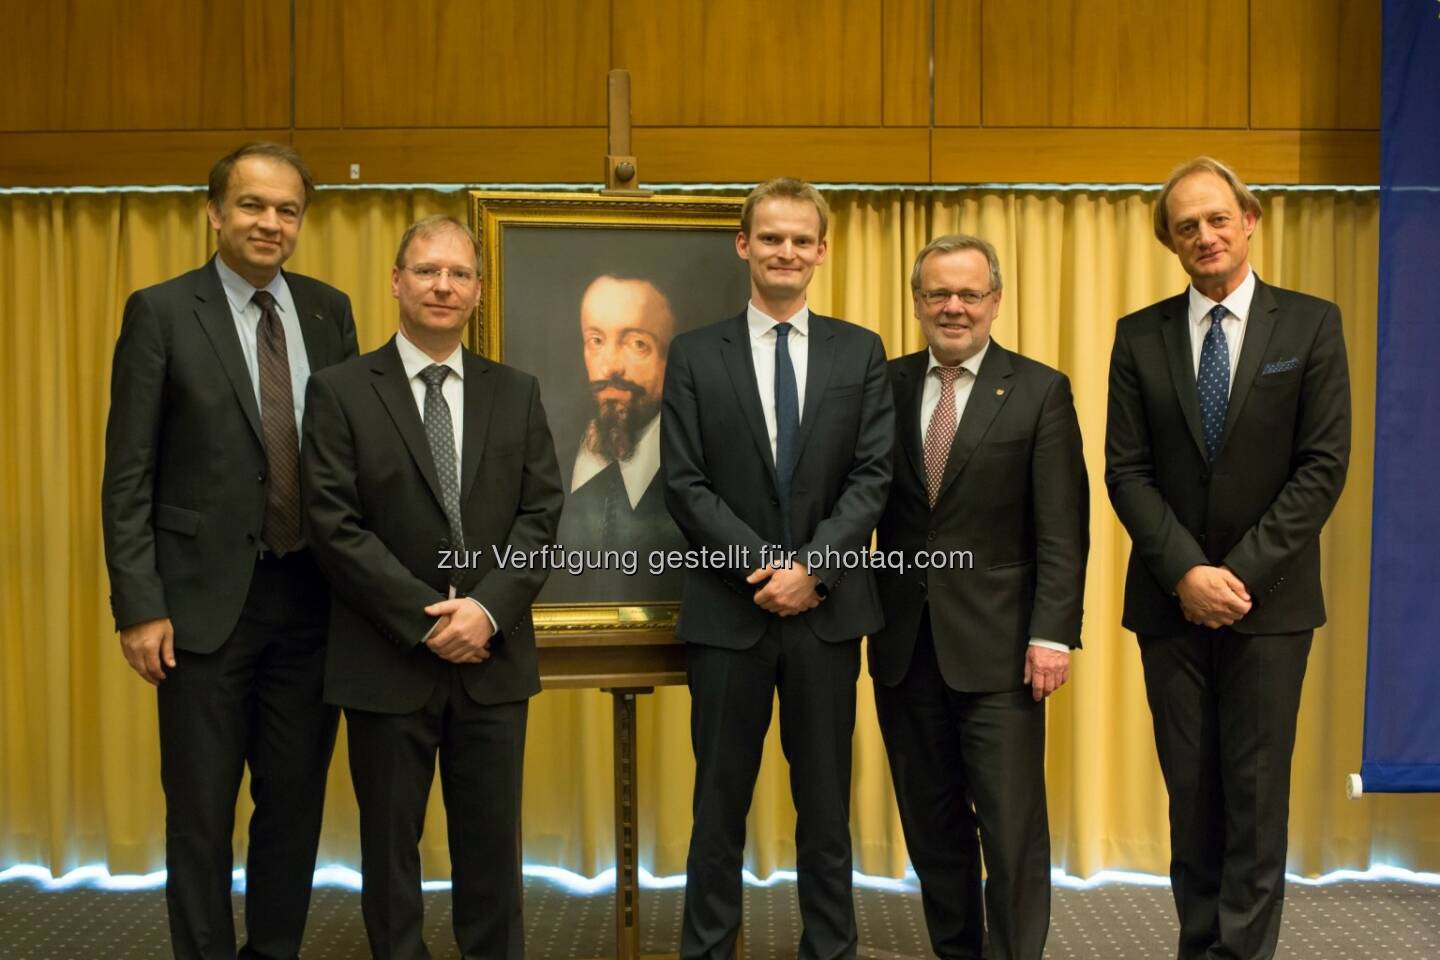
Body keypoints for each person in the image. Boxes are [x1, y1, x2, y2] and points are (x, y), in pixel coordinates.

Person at [100, 141, 356, 958]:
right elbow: (128, 473)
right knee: (202, 813)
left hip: (313, 603)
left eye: (287, 210)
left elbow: (350, 458)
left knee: (293, 806)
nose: (270, 223)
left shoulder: (329, 310)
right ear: (215, 212)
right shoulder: (162, 311)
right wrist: (139, 606)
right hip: (200, 611)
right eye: (252, 205)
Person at [1105, 156, 1351, 960]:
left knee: (1253, 798)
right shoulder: (1137, 336)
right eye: (1186, 226)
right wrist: (1185, 572)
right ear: (1169, 242)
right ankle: (1198, 946)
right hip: (1170, 605)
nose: (1204, 236)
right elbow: (1126, 470)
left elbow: (1322, 468)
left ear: (1249, 220)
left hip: (1268, 605)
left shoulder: (1311, 324)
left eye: (1217, 219)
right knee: (1193, 797)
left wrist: (1235, 576)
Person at [300, 215, 563, 959]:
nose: (443, 285)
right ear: (396, 282)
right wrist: (428, 619)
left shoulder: (516, 391)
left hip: (493, 657)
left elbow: (541, 515)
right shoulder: (342, 390)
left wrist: (484, 611)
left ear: (478, 290)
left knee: (491, 856)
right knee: (389, 858)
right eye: (426, 271)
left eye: (458, 274)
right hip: (385, 661)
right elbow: (333, 523)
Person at [661, 176, 894, 960]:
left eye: (801, 239)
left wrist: (813, 570)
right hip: (729, 616)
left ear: (822, 251)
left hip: (828, 620)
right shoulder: (694, 354)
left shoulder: (860, 351)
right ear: (743, 245)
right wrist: (769, 569)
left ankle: (830, 950)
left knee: (825, 810)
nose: (785, 251)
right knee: (717, 809)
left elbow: (872, 478)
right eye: (771, 237)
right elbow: (685, 484)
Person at [869, 234, 1088, 959]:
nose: (953, 307)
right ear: (918, 303)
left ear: (995, 301)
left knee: (1011, 827)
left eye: (969, 294)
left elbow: (1063, 526)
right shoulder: (885, 385)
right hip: (903, 648)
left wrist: (1053, 633)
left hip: (1003, 652)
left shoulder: (1039, 389)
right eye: (938, 293)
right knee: (932, 825)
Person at [551, 274, 686, 601]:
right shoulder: (547, 463)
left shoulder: (697, 470)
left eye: (637, 343)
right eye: (596, 340)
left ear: (670, 358)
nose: (610, 366)